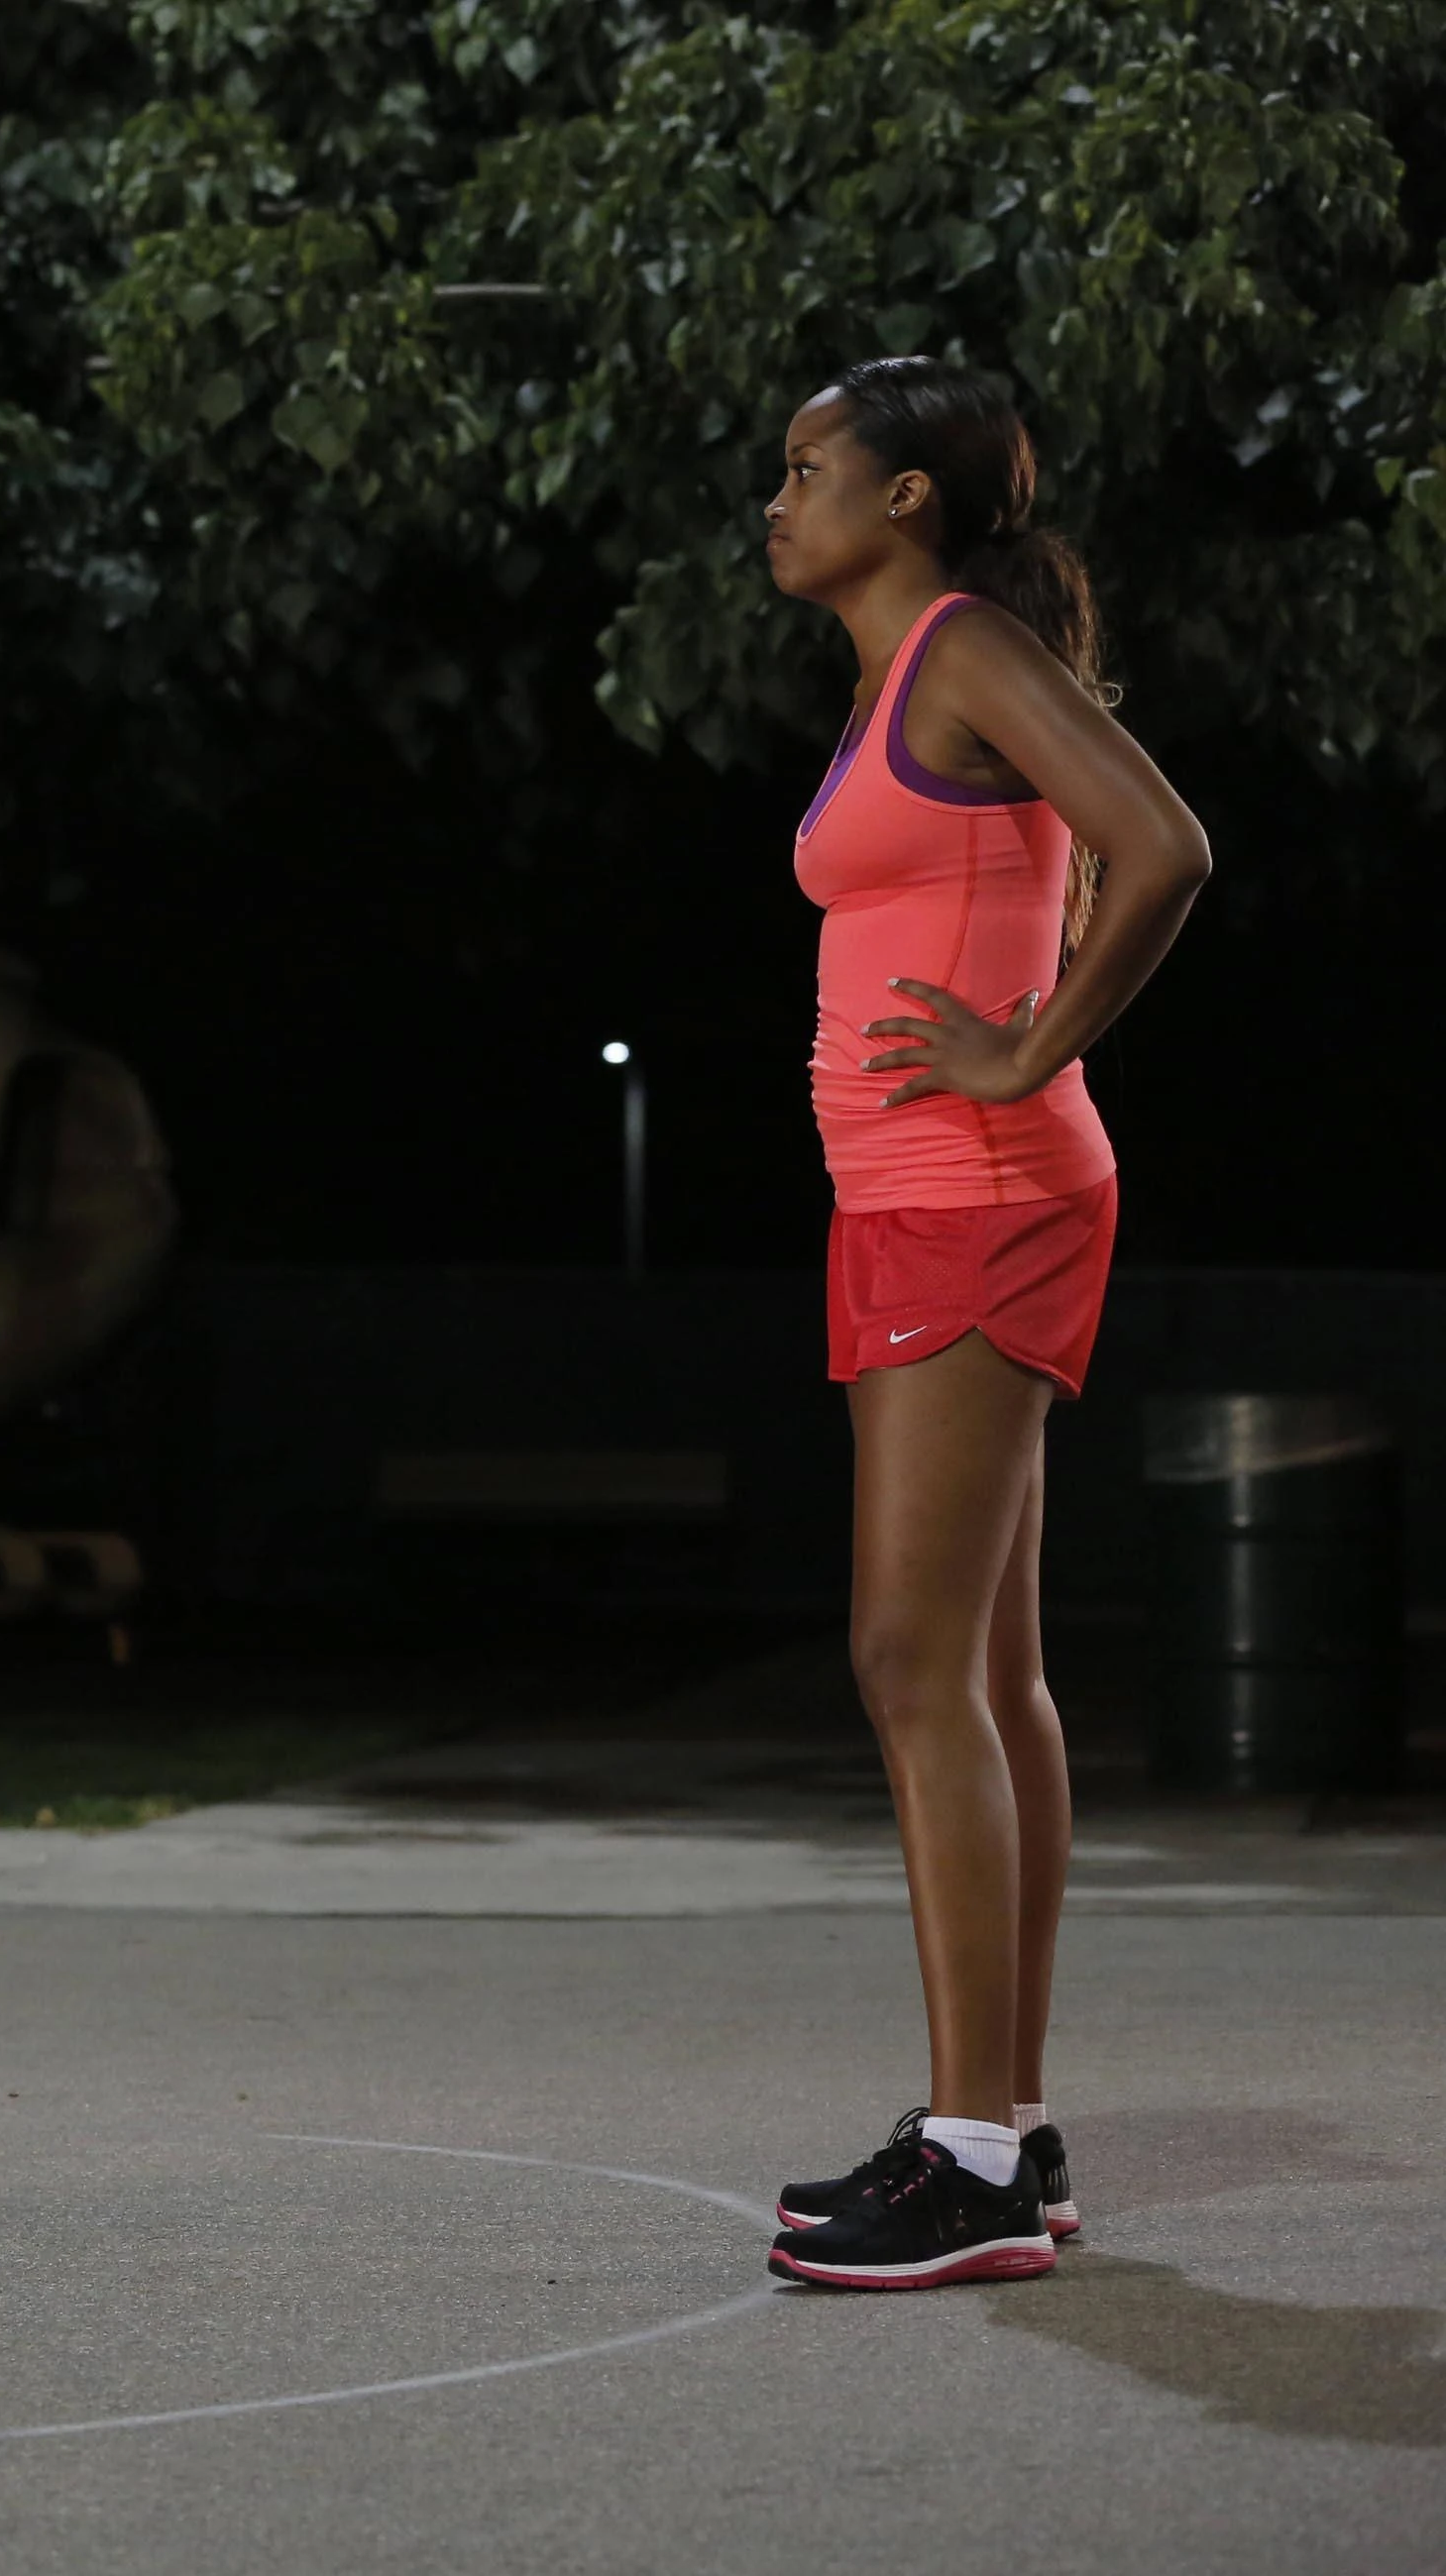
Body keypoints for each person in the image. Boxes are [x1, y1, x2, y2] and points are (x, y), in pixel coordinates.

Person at [754, 360, 1208, 2291]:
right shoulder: (901, 675)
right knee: (991, 1675)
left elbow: (1165, 844)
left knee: (911, 1657)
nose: (775, 501)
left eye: (807, 469)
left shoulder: (960, 649)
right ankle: (1002, 2123)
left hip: (974, 1196)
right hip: (914, 1202)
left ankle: (974, 2167)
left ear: (908, 497)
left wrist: (1024, 1049)